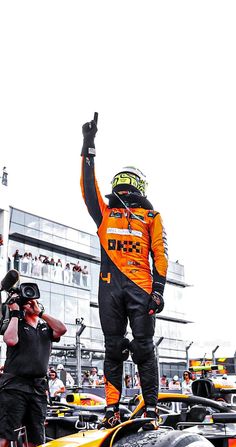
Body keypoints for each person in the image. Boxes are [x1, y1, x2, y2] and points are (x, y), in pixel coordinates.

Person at [80, 114, 168, 430]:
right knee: (114, 348)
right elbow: (88, 186)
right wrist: (88, 145)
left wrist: (159, 289)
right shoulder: (104, 213)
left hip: (139, 288)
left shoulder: (151, 215)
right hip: (113, 288)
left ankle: (152, 410)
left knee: (143, 348)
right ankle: (112, 409)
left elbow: (161, 253)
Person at [0, 295, 67, 447]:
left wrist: (40, 312)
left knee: (35, 438)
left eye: (33, 301)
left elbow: (62, 329)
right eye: (27, 302)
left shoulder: (45, 327)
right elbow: (9, 340)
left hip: (37, 389)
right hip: (14, 387)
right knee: (5, 434)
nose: (30, 304)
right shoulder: (16, 324)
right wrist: (15, 313)